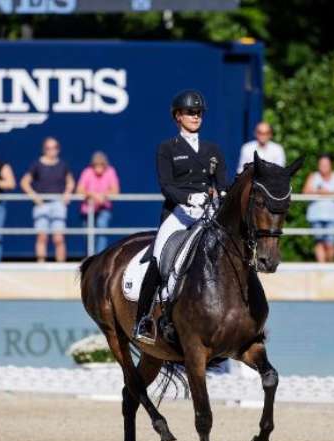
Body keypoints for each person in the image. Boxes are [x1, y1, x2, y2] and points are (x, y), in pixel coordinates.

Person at [134, 90, 227, 344]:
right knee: (158, 254)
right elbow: (166, 185)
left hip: (207, 213)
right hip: (178, 213)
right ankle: (143, 319)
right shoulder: (167, 148)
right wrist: (188, 198)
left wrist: (220, 196)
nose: (195, 116)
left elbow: (223, 183)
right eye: (190, 112)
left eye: (198, 113)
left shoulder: (213, 150)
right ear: (178, 116)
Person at [20, 137, 75, 262]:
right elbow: (24, 182)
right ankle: (41, 266)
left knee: (59, 238)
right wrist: (35, 197)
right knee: (42, 237)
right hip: (42, 205)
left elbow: (70, 181)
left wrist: (67, 194)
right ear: (44, 149)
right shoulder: (37, 165)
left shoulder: (62, 165)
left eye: (54, 148)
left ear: (58, 149)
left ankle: (61, 267)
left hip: (58, 204)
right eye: (48, 148)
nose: (51, 151)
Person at [302, 153, 334, 262]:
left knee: (331, 243)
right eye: (321, 164)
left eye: (326, 164)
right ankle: (321, 266)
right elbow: (305, 192)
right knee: (319, 242)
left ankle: (329, 265)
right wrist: (318, 192)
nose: (323, 166)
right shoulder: (313, 176)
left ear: (331, 165)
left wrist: (329, 193)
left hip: (332, 216)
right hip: (316, 215)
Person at [76, 151, 120, 254]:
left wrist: (103, 195)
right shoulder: (87, 172)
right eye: (96, 165)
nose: (98, 168)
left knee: (101, 229)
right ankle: (90, 256)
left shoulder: (110, 171)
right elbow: (79, 190)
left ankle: (99, 257)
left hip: (104, 208)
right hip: (87, 209)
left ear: (105, 165)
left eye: (101, 165)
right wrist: (93, 195)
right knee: (88, 234)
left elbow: (115, 190)